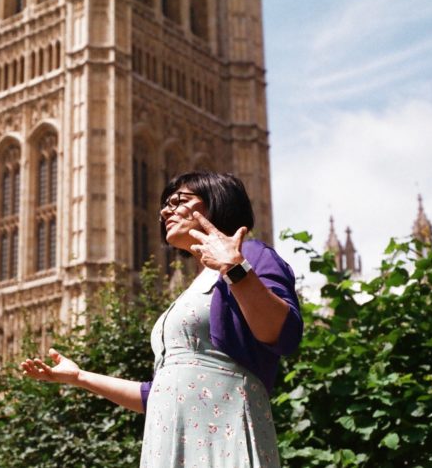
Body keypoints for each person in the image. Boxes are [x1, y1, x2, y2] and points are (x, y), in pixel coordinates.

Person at [20, 171, 302, 467]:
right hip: (168, 440)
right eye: (164, 205)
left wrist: (235, 268)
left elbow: (283, 333)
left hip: (223, 433)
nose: (164, 210)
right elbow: (156, 392)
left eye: (178, 200)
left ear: (217, 201)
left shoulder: (250, 255)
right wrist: (79, 378)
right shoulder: (191, 288)